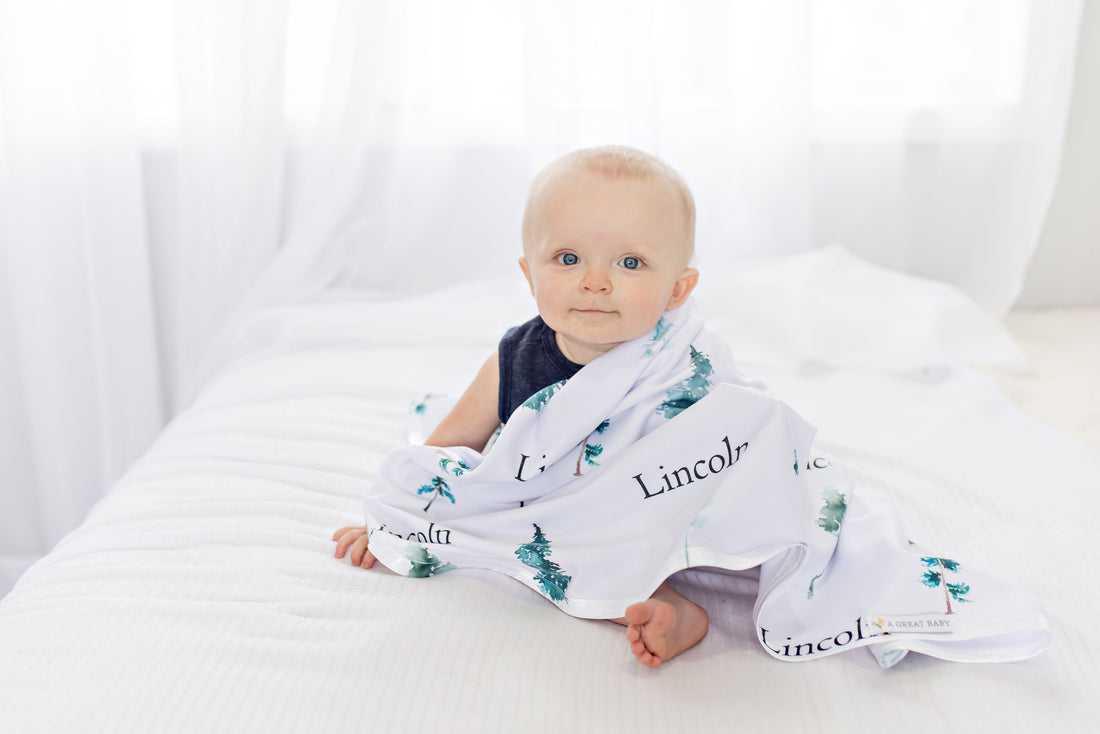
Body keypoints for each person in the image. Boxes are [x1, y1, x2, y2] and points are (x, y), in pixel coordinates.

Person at [334, 145, 709, 668]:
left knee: (667, 547)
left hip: (638, 517)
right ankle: (654, 608)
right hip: (545, 513)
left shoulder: (679, 370)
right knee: (530, 547)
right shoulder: (515, 358)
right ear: (530, 274)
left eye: (630, 262)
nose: (594, 281)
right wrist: (396, 519)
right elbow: (447, 451)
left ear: (677, 289)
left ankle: (678, 601)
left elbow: (723, 456)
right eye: (568, 258)